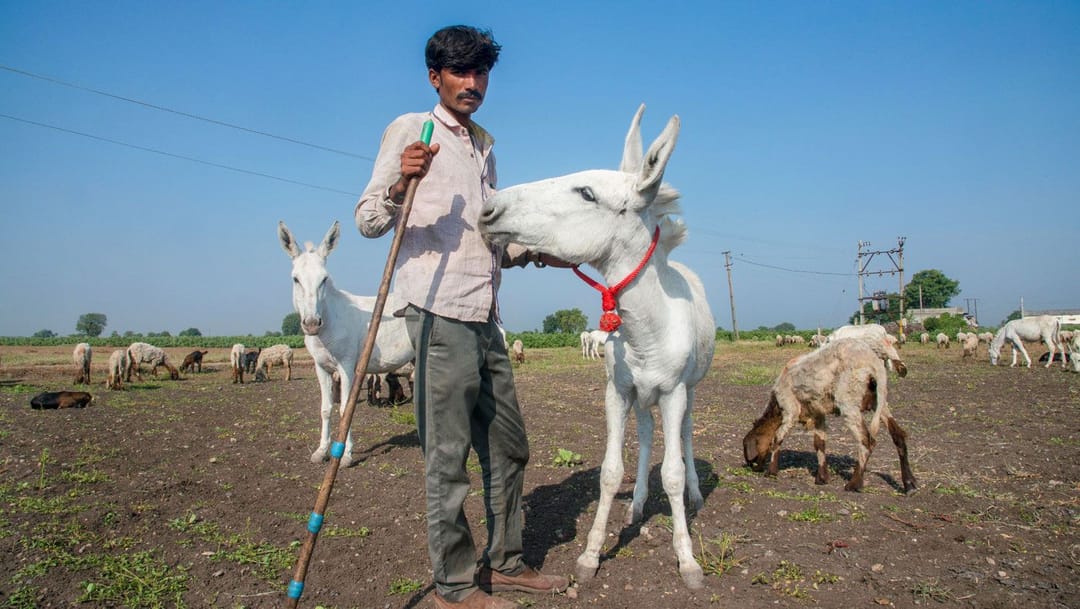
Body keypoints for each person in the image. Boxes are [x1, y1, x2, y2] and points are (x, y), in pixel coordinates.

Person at [355, 25, 569, 609]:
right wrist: (403, 180)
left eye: (481, 73)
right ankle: (453, 585)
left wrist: (537, 251)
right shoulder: (411, 130)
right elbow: (369, 219)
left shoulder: (483, 146)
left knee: (508, 446)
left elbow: (489, 233)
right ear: (436, 77)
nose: (472, 83)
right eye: (460, 72)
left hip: (485, 314)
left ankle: (503, 563)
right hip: (437, 311)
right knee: (447, 458)